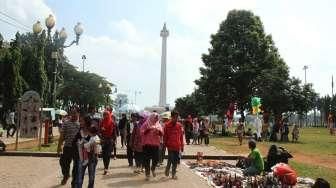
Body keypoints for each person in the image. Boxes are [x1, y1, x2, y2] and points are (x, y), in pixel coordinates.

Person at [57, 108, 80, 187]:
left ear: (78, 114)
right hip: (67, 147)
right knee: (63, 163)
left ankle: (74, 183)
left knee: (76, 167)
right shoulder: (66, 123)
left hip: (77, 149)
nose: (74, 115)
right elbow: (62, 136)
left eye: (76, 113)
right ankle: (66, 175)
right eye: (73, 113)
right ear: (70, 114)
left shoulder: (80, 124)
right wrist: (59, 146)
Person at [77, 117, 101, 188]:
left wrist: (94, 144)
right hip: (82, 158)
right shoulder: (80, 131)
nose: (80, 123)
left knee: (91, 178)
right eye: (80, 121)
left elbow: (99, 141)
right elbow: (76, 142)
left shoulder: (93, 131)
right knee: (80, 178)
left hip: (92, 158)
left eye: (82, 121)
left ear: (86, 122)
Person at [141, 112, 163, 181]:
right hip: (147, 145)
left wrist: (158, 131)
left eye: (157, 118)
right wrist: (148, 129)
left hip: (155, 145)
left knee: (156, 159)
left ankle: (153, 168)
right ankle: (147, 174)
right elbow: (141, 132)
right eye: (155, 118)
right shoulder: (146, 124)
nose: (157, 119)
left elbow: (162, 133)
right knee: (146, 160)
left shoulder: (158, 124)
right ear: (152, 117)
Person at [164, 111, 184, 179]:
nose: (176, 119)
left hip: (177, 146)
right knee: (170, 159)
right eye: (174, 117)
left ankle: (173, 174)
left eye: (177, 117)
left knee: (175, 160)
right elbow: (165, 136)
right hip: (170, 146)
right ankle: (167, 169)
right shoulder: (167, 125)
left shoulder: (179, 125)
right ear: (171, 117)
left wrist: (182, 146)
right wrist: (165, 144)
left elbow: (181, 136)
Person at [100, 111, 115, 175]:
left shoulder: (111, 122)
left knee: (108, 155)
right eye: (104, 115)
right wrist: (102, 130)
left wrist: (104, 130)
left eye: (106, 115)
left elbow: (111, 132)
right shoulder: (102, 121)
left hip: (109, 140)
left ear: (108, 115)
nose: (105, 116)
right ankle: (105, 168)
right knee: (103, 155)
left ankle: (106, 168)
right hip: (103, 140)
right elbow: (99, 129)